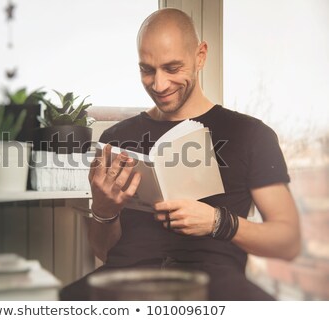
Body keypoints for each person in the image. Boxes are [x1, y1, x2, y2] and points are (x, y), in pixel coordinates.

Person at [60, 8, 300, 300]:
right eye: (147, 70)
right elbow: (104, 251)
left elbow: (288, 241)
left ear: (200, 56)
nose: (159, 85)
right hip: (125, 284)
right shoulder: (116, 139)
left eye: (172, 68)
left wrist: (218, 222)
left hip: (212, 287)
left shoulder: (250, 134)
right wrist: (104, 210)